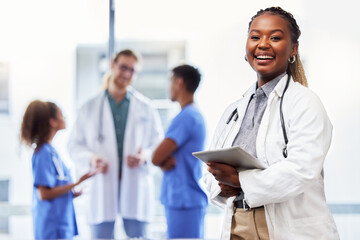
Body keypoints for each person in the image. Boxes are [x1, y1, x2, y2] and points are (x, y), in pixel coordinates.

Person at [204, 7, 339, 240]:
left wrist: (239, 181)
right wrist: (221, 184)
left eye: (275, 38)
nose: (263, 44)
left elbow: (301, 170)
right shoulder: (234, 110)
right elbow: (208, 168)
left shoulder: (305, 103)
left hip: (289, 228)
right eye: (255, 37)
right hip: (238, 222)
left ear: (293, 49)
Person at [68, 49, 163, 239]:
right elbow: (74, 145)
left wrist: (144, 156)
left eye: (132, 70)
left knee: (139, 236)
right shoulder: (89, 107)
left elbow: (157, 144)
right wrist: (91, 158)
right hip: (102, 186)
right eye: (123, 67)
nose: (127, 74)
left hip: (135, 185)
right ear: (113, 65)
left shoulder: (146, 107)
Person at [20, 100, 94, 240]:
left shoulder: (51, 151)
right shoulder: (43, 153)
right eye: (62, 114)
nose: (65, 117)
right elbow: (44, 194)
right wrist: (76, 183)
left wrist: (71, 193)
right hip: (51, 228)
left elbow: (55, 187)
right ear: (52, 121)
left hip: (60, 225)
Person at [152, 64, 208, 239]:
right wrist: (163, 162)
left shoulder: (186, 117)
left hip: (184, 201)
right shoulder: (192, 115)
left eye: (170, 81)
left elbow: (155, 157)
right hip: (184, 200)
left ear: (179, 83)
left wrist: (161, 161)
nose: (168, 87)